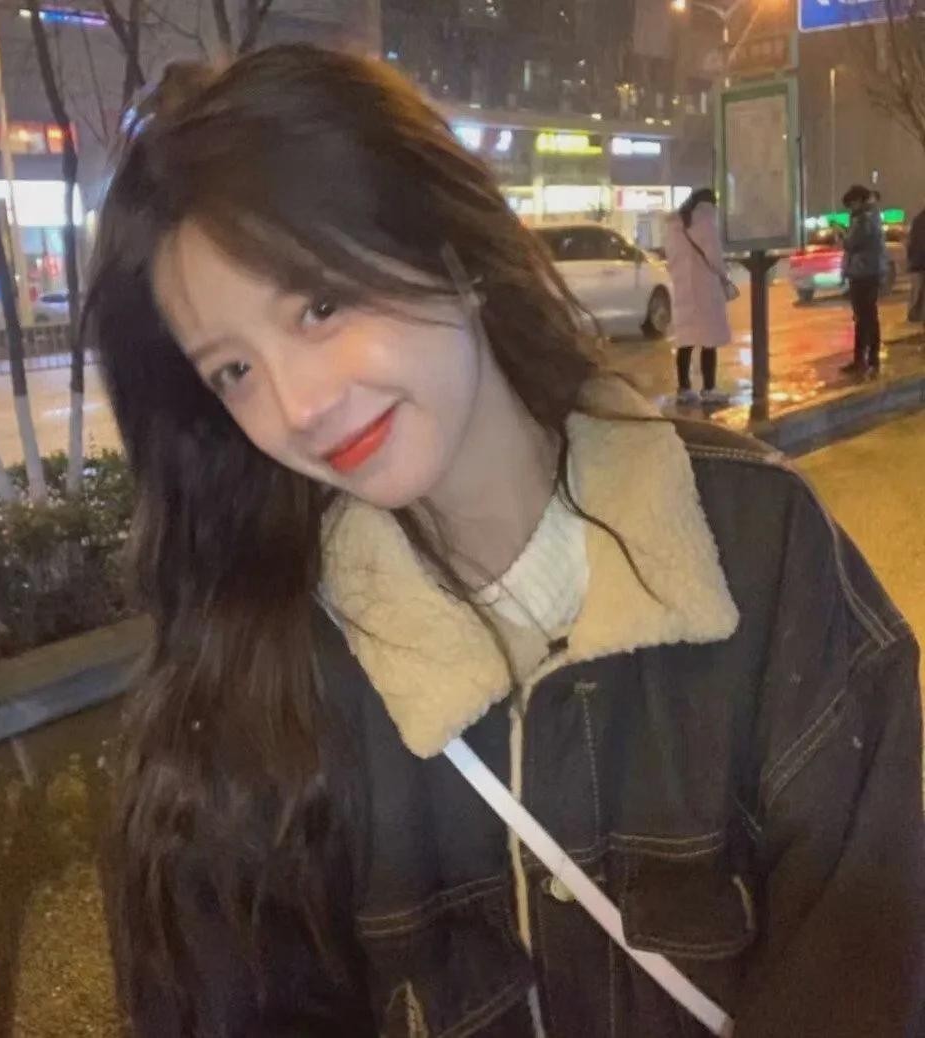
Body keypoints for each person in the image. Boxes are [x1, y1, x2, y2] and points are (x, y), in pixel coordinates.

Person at [84, 46, 924, 1038]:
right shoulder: (270, 658)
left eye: (318, 305)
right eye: (233, 371)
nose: (297, 407)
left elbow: (868, 967)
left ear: (451, 248)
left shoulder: (758, 546)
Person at [663, 188, 733, 406]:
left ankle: (684, 388)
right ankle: (709, 387)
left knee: (685, 339)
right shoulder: (705, 221)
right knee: (709, 338)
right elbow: (714, 256)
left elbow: (671, 258)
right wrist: (724, 274)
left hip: (684, 288)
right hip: (704, 288)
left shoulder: (674, 225)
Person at [839, 184, 886, 375]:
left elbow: (852, 243)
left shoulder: (863, 219)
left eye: (851, 205)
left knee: (864, 318)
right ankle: (870, 358)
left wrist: (842, 234)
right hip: (869, 272)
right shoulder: (871, 215)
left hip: (863, 273)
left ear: (858, 200)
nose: (850, 209)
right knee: (869, 317)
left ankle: (862, 360)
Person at [907, 204, 925, 327]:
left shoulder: (918, 219)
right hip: (921, 262)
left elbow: (912, 243)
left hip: (918, 262)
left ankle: (916, 315)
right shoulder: (920, 220)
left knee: (919, 291)